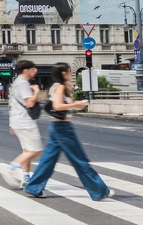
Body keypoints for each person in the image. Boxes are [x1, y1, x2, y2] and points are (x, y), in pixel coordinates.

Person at [24, 63, 113, 201]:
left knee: (48, 161)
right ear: (63, 73)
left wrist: (70, 92)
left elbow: (65, 104)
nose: (71, 73)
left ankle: (33, 187)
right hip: (63, 128)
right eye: (69, 71)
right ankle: (99, 190)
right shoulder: (59, 87)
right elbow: (57, 106)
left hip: (57, 127)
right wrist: (77, 104)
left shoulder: (58, 86)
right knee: (80, 160)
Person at [0, 60, 43, 189]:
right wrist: (37, 92)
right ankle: (11, 168)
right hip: (25, 121)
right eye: (33, 69)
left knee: (27, 151)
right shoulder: (23, 83)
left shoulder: (15, 83)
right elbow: (30, 103)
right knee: (36, 150)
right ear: (25, 70)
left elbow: (11, 104)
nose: (35, 71)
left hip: (18, 120)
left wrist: (12, 123)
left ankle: (26, 178)